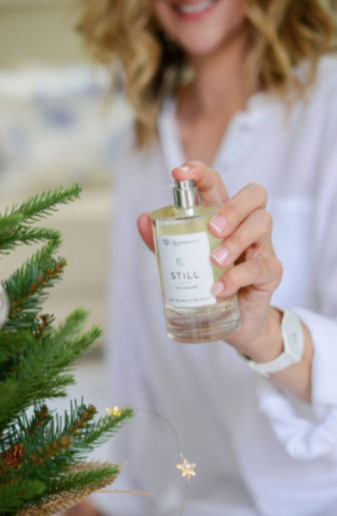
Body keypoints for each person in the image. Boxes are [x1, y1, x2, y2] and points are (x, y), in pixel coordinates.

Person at [73, 0, 337, 514]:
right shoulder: (143, 142)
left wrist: (264, 334)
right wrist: (114, 498)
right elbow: (135, 362)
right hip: (199, 499)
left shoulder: (330, 107)